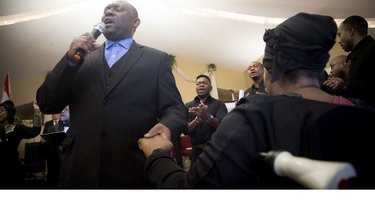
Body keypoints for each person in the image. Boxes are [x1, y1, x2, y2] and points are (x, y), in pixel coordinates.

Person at [138, 12, 375, 189]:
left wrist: (156, 155)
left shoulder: (255, 116)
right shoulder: (364, 114)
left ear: (274, 67)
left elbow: (193, 191)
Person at [36, 0, 187, 189]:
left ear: (136, 22)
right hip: (79, 170)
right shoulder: (80, 59)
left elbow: (175, 108)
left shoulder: (156, 59)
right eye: (106, 10)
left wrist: (167, 125)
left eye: (117, 9)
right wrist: (68, 60)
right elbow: (47, 103)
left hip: (134, 168)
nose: (108, 12)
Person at [323, 15, 375, 107]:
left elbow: (371, 86)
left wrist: (342, 85)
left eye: (340, 35)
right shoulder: (354, 56)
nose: (339, 40)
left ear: (351, 31)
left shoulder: (372, 49)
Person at [185, 74, 228, 164]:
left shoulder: (219, 104)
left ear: (211, 88)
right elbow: (185, 130)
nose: (201, 85)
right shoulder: (188, 106)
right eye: (198, 84)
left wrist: (207, 116)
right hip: (196, 152)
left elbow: (223, 127)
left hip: (216, 150)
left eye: (204, 83)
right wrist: (197, 120)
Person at [0, 100, 41, 188]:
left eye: (2, 110)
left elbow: (35, 131)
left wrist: (37, 113)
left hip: (12, 171)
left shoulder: (18, 129)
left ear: (10, 112)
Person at [40, 109, 66, 188]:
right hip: (50, 151)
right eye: (53, 113)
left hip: (61, 152)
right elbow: (45, 135)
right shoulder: (48, 124)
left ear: (59, 114)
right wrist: (42, 140)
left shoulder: (63, 123)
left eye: (56, 112)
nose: (54, 114)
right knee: (51, 171)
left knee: (60, 171)